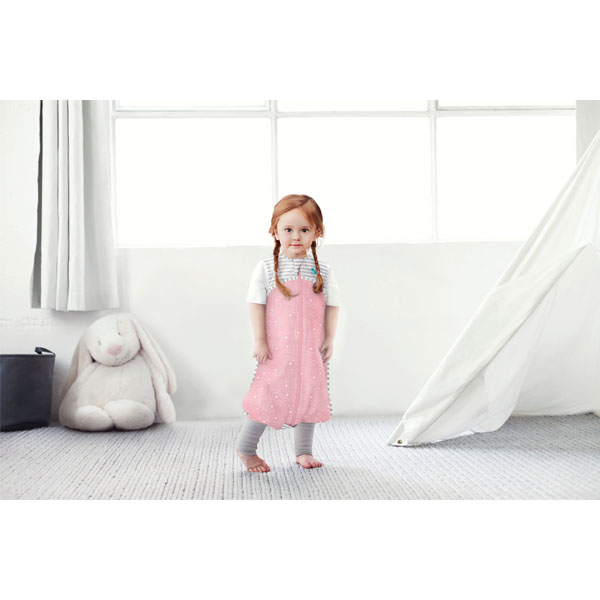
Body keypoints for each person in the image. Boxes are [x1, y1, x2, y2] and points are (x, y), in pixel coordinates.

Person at [235, 194, 341, 472]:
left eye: (304, 230)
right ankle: (246, 448)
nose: (296, 236)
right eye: (288, 229)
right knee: (266, 397)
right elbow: (256, 304)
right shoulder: (267, 269)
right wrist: (260, 340)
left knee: (310, 394)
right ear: (275, 231)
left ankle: (304, 451)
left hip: (311, 351)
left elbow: (333, 305)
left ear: (317, 233)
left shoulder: (323, 271)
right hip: (277, 352)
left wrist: (330, 338)